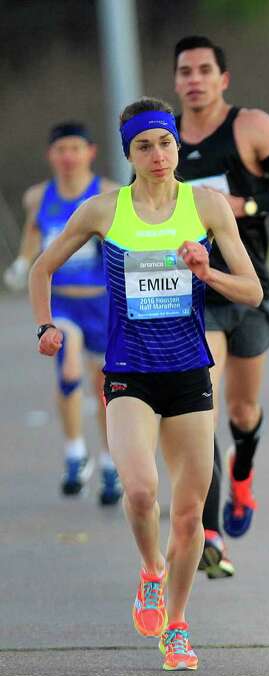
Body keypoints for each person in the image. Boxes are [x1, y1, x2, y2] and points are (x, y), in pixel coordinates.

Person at [28, 97, 262, 670]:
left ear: (176, 145)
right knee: (139, 492)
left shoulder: (206, 206)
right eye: (143, 146)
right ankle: (151, 570)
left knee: (188, 515)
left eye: (164, 143)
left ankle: (178, 626)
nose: (157, 156)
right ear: (127, 152)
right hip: (128, 372)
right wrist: (45, 324)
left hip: (188, 372)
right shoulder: (104, 210)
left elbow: (252, 292)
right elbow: (42, 268)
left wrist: (207, 272)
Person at [173, 35, 269, 578]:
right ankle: (211, 534)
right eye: (185, 71)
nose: (194, 79)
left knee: (241, 413)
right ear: (175, 80)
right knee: (200, 408)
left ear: (223, 78)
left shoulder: (252, 127)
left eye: (205, 70)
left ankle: (244, 475)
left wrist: (245, 204)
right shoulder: (162, 141)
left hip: (248, 286)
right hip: (191, 294)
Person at [7, 123, 121, 503]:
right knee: (69, 365)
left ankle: (109, 462)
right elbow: (32, 238)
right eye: (61, 149)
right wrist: (23, 264)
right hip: (62, 303)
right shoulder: (39, 197)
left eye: (76, 148)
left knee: (106, 385)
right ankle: (75, 452)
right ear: (50, 155)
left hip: (102, 302)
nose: (68, 157)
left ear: (90, 151)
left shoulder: (107, 194)